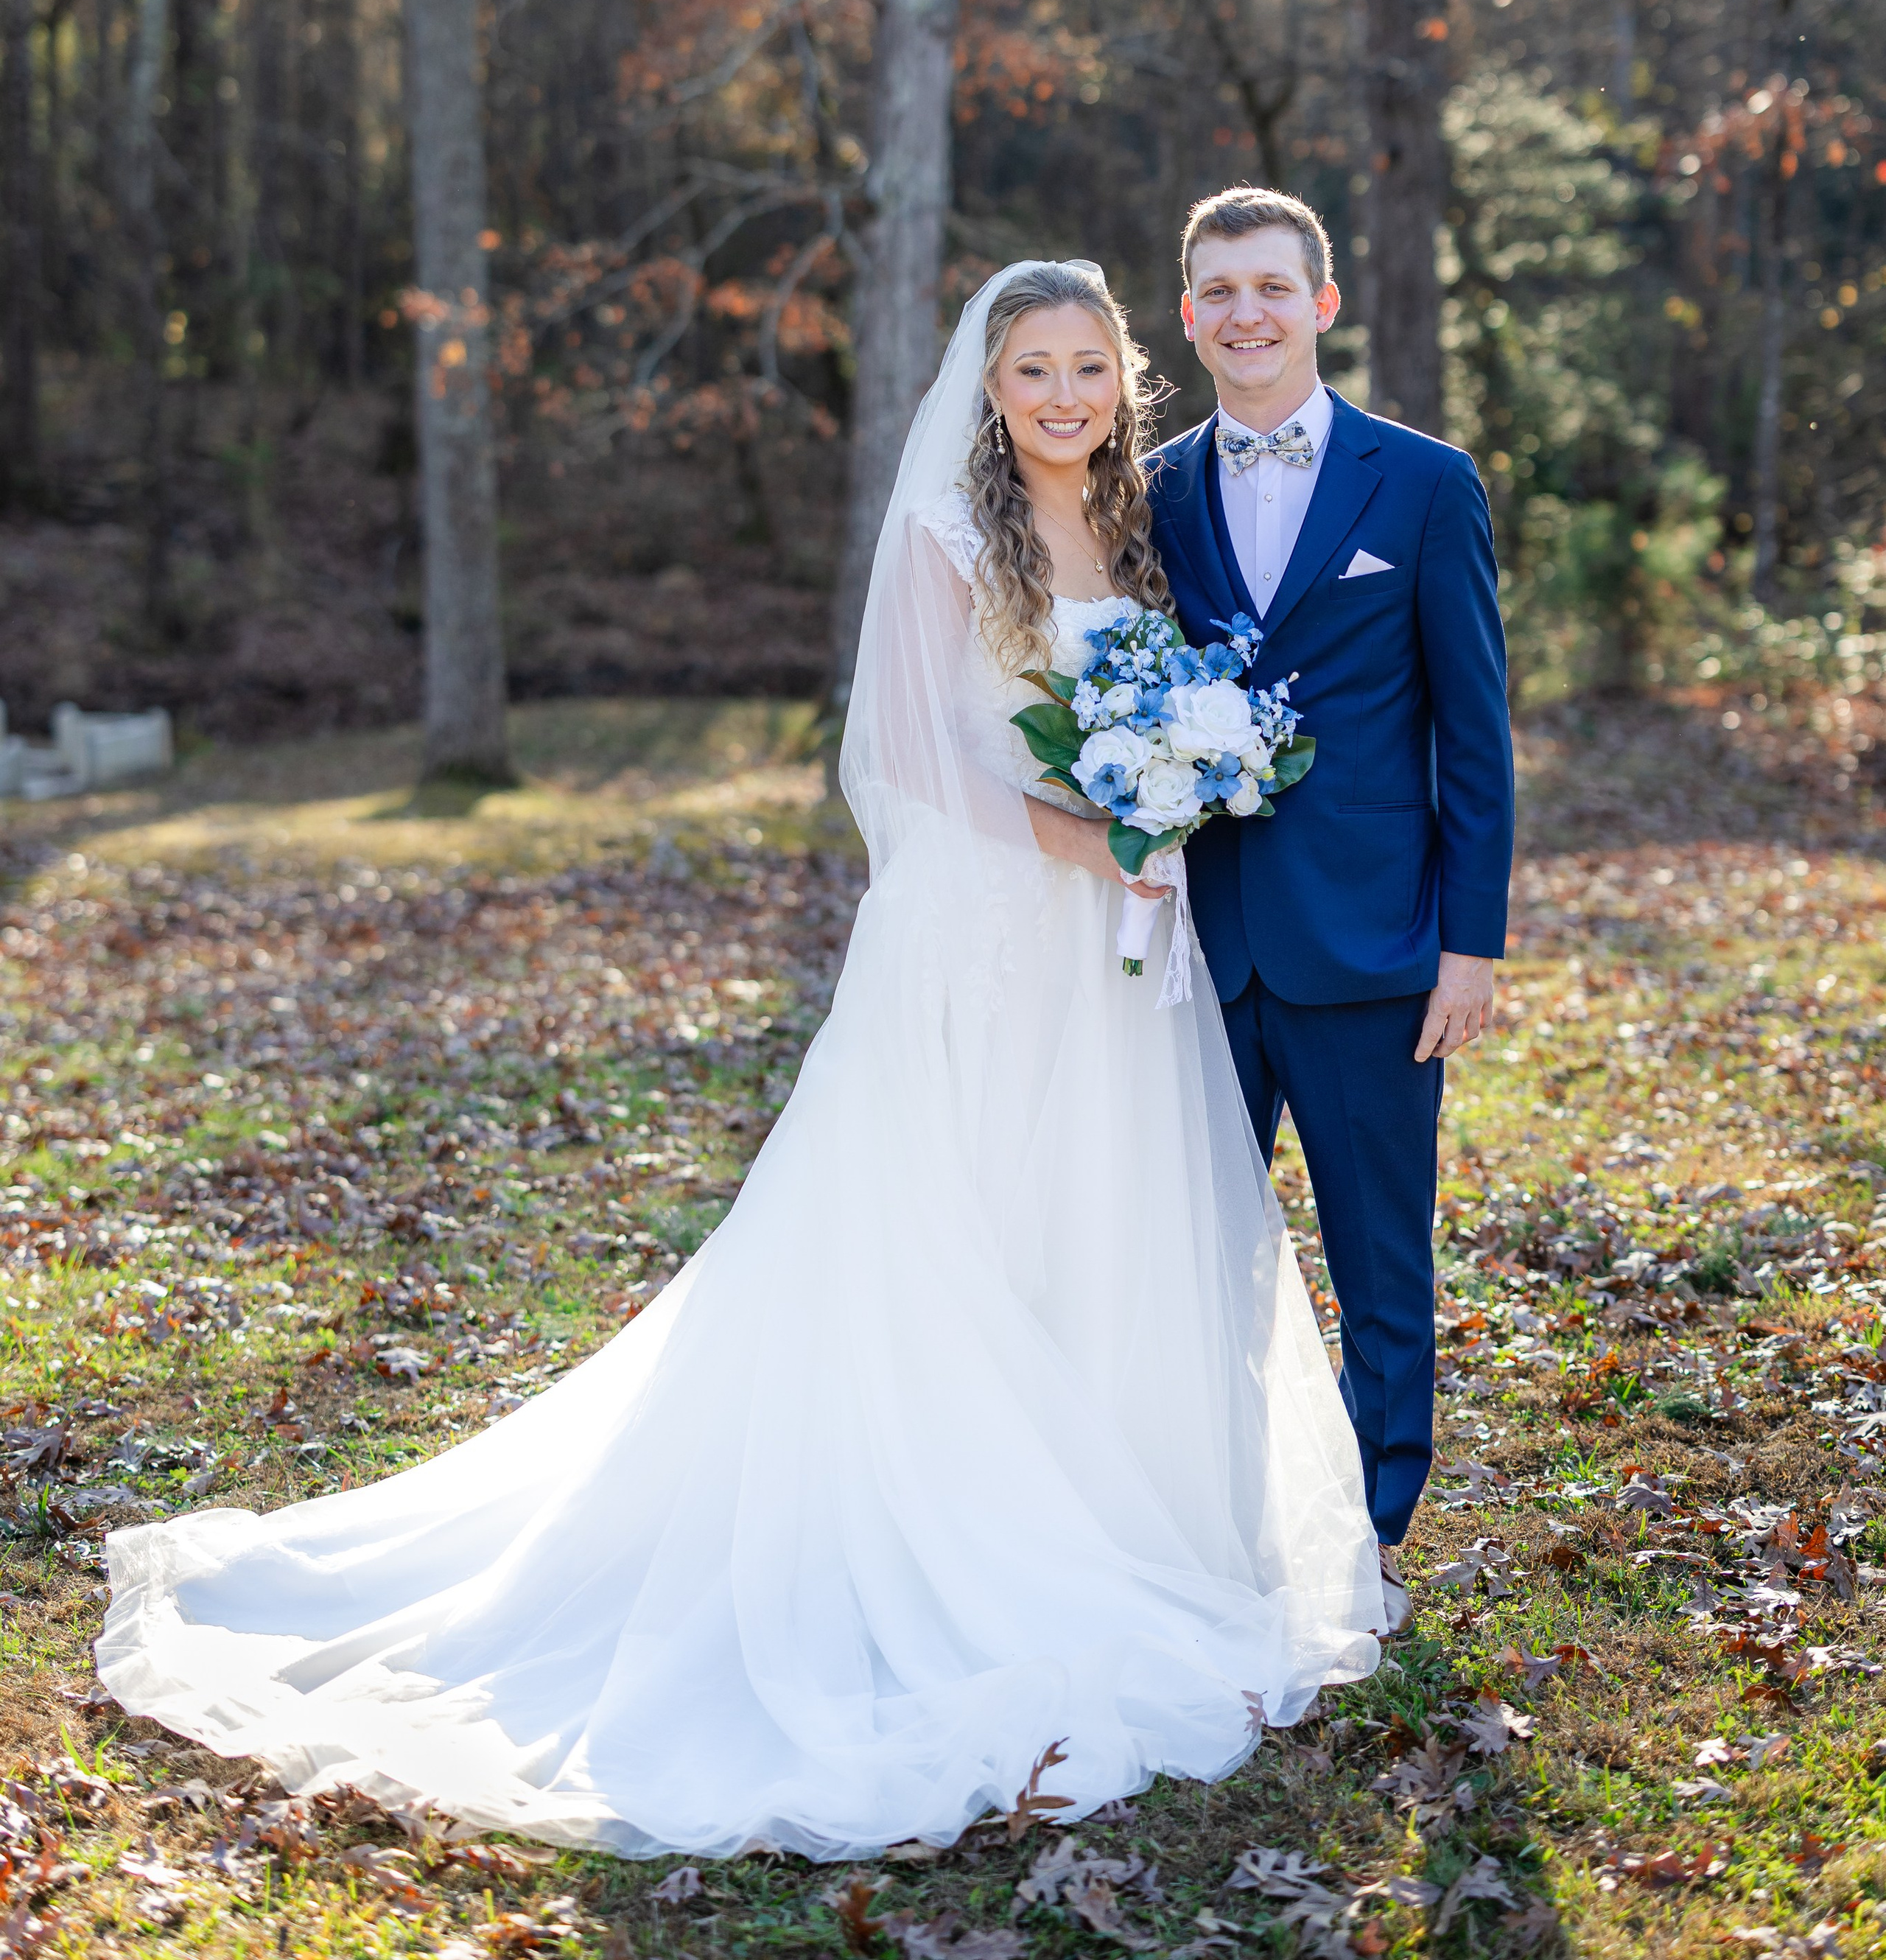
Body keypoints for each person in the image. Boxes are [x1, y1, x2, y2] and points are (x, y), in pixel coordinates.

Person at [96, 259, 1383, 1861]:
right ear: (987, 389)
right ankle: (930, 1532)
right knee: (945, 1220)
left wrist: (1164, 798)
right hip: (985, 924)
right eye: (1030, 369)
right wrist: (1089, 827)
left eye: (1083, 369)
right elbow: (910, 753)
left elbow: (1166, 702)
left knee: (1093, 1212)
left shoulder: (1134, 532)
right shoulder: (946, 535)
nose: (1059, 396)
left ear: (1122, 381)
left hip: (1113, 946)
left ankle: (1108, 1508)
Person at [1144, 189, 1515, 1632]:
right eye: (1218, 290)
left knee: (1379, 1262)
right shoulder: (1151, 486)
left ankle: (1365, 1539)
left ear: (1321, 302)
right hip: (1198, 943)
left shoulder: (1421, 484)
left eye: (1269, 287)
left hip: (1371, 947)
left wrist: (1468, 944)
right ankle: (1214, 1522)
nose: (1244, 312)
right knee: (1192, 1256)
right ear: (1187, 315)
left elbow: (1471, 733)